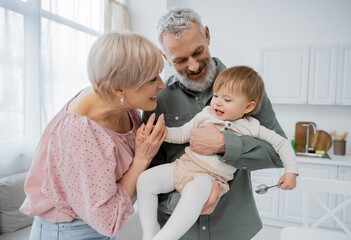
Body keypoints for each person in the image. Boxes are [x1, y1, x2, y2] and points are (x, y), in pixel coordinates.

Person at [141, 8, 288, 240]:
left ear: (207, 36)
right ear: (164, 56)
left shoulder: (245, 90)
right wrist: (185, 202)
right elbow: (149, 167)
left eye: (198, 52)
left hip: (232, 230)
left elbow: (277, 154)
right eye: (179, 60)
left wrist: (225, 145)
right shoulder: (159, 100)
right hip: (180, 233)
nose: (192, 66)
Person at [19, 31, 167, 240]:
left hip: (97, 227)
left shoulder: (119, 104)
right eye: (152, 78)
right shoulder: (79, 133)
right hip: (69, 231)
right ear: (118, 89)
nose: (162, 85)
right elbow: (107, 219)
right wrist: (142, 158)